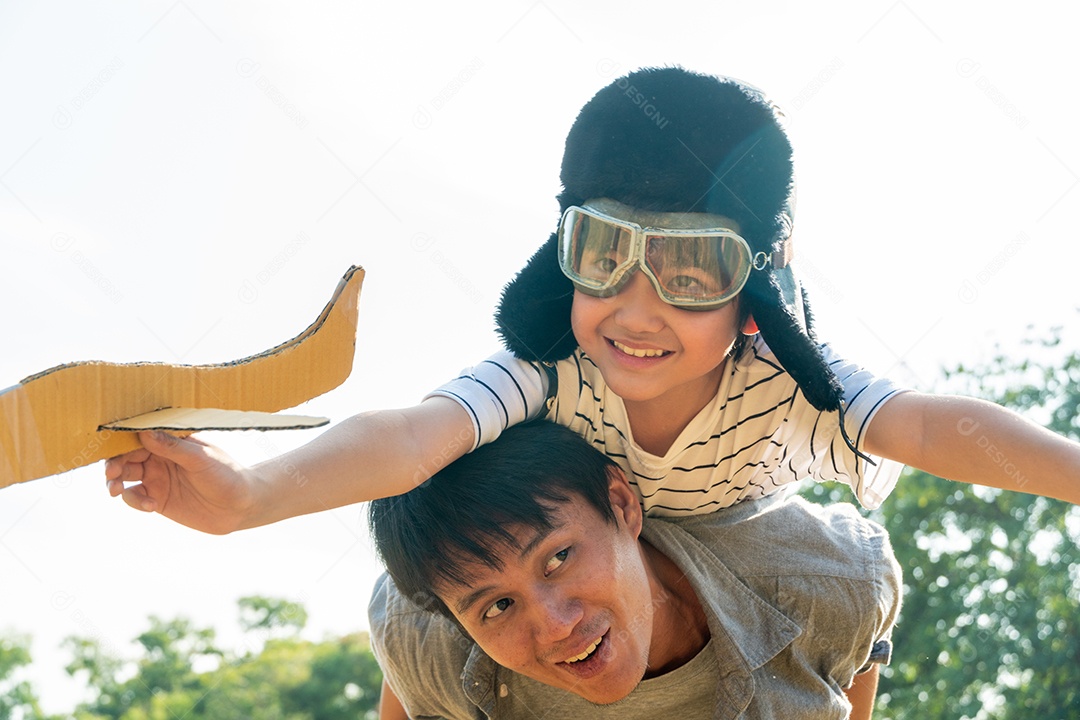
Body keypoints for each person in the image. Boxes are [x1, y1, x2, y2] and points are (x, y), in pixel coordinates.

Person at [104, 67, 1079, 533]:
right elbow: (408, 439)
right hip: (597, 569)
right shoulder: (549, 371)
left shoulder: (785, 382)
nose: (637, 308)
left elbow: (929, 427)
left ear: (754, 296)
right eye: (605, 253)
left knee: (829, 570)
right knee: (420, 562)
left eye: (692, 271)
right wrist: (251, 497)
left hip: (749, 552)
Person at [366, 420, 903, 719]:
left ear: (621, 504)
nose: (557, 625)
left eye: (558, 558)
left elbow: (863, 628)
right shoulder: (425, 634)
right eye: (498, 606)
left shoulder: (824, 580)